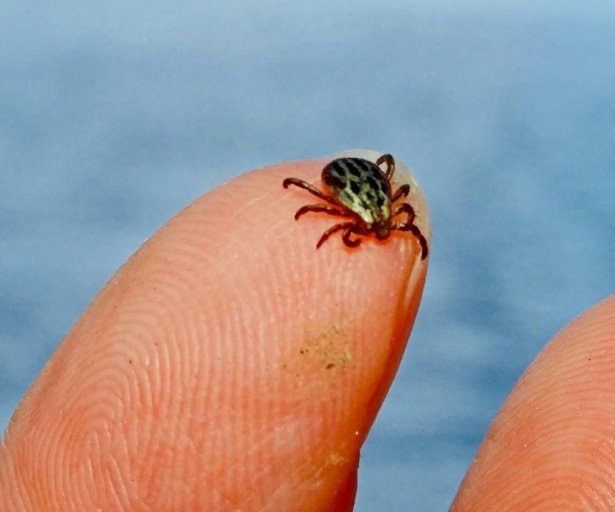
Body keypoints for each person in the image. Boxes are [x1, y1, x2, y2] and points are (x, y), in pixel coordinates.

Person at [1, 155, 613, 510]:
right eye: (374, 225)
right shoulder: (380, 212)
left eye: (384, 225)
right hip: (347, 177)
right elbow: (346, 207)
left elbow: (346, 208)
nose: (379, 232)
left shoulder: (372, 213)